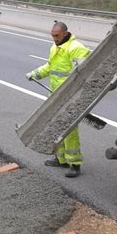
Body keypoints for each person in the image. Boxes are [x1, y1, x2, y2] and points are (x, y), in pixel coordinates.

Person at [26, 21, 91, 178]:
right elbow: (50, 67)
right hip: (55, 96)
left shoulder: (76, 48)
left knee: (69, 130)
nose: (54, 38)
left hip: (70, 97)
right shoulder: (54, 47)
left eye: (56, 36)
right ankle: (61, 159)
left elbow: (84, 73)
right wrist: (35, 74)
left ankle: (75, 164)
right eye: (52, 36)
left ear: (65, 33)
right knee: (55, 128)